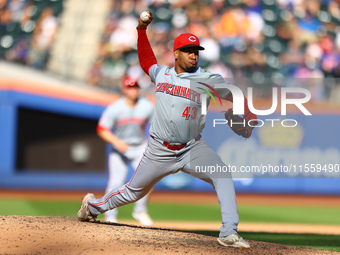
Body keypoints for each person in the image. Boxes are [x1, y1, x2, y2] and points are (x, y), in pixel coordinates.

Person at [78, 11, 258, 249]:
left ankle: (228, 232)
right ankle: (92, 207)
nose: (193, 55)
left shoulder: (207, 79)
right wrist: (141, 31)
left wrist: (246, 114)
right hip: (159, 149)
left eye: (196, 52)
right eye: (188, 51)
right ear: (176, 53)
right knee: (132, 192)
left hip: (192, 147)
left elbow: (234, 94)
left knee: (221, 173)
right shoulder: (162, 73)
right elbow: (146, 61)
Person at [96, 76, 154, 226]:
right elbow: (102, 129)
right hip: (120, 147)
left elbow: (156, 126)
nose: (133, 90)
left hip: (139, 146)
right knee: (115, 182)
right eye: (130, 87)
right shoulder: (115, 108)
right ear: (123, 89)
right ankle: (110, 215)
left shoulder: (146, 106)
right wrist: (116, 142)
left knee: (148, 179)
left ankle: (140, 211)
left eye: (135, 87)